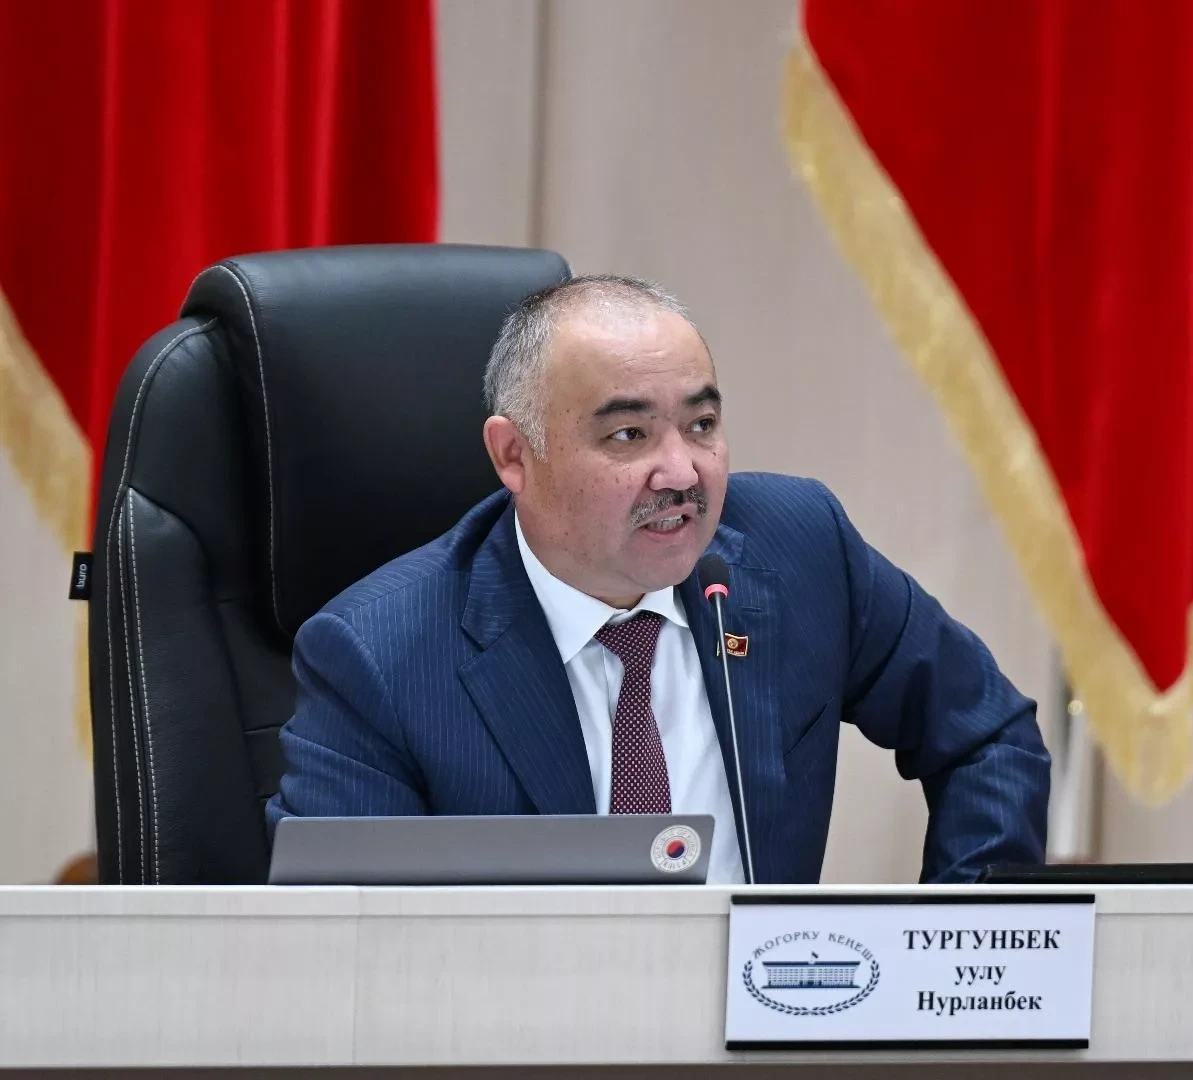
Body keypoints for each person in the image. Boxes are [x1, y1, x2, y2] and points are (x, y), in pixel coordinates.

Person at [267, 275, 1050, 883]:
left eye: (701, 425)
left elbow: (987, 736)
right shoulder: (377, 656)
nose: (681, 472)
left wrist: (956, 964)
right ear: (514, 456)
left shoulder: (799, 550)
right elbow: (348, 947)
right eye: (628, 435)